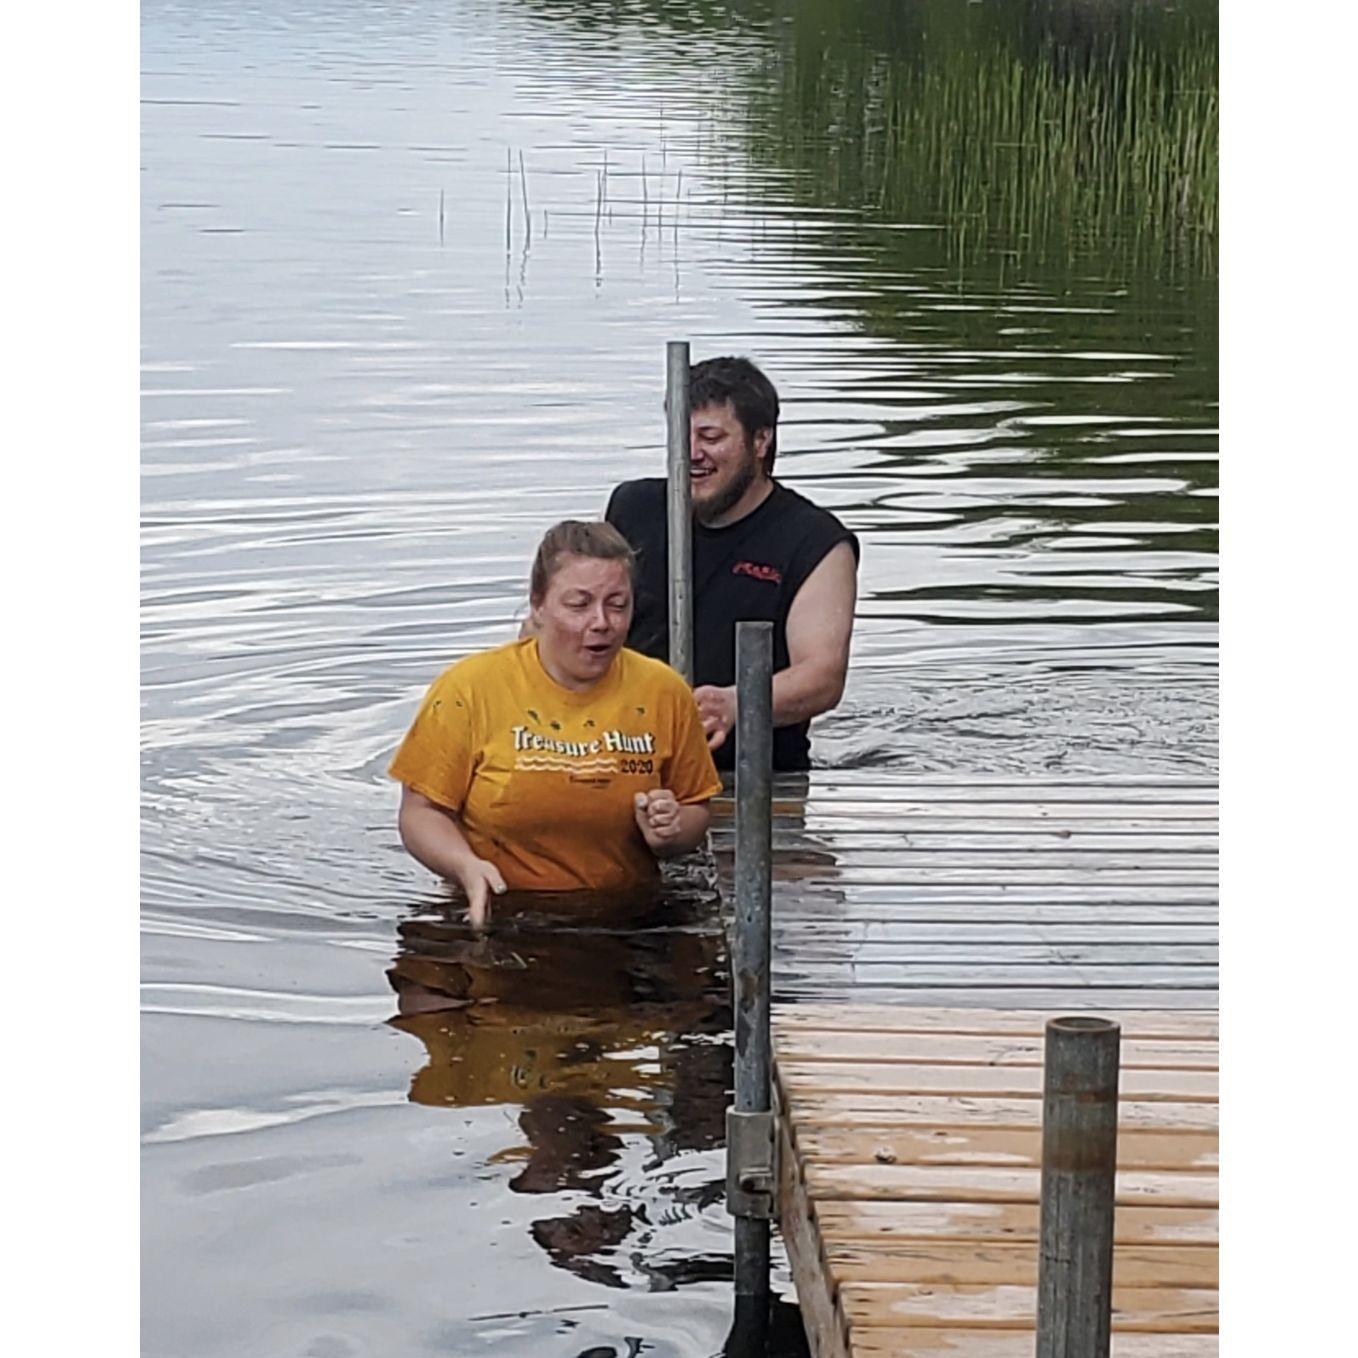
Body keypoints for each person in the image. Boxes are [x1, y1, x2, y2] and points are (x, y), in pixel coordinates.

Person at [389, 520, 723, 925]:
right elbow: (420, 813)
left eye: (618, 605)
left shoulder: (663, 691)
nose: (601, 622)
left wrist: (672, 829)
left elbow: (696, 807)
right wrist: (464, 866)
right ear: (539, 605)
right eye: (579, 605)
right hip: (499, 907)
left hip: (626, 915)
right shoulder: (469, 689)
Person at [605, 355, 858, 772]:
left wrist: (734, 703)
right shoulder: (633, 508)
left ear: (760, 441)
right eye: (680, 437)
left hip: (753, 774)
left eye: (711, 437)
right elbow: (588, 609)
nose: (692, 454)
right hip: (629, 760)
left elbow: (822, 677)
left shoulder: (815, 541)